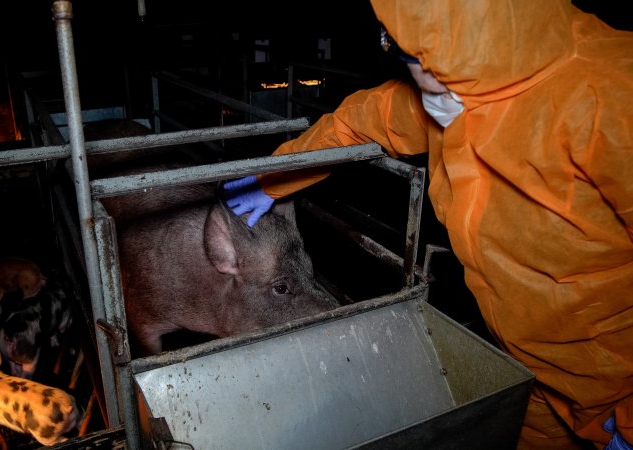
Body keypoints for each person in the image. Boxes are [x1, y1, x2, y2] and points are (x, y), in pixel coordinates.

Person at [222, 1, 633, 449]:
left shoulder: (614, 95)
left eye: (421, 54)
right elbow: (359, 123)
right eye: (400, 48)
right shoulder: (452, 92)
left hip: (613, 380)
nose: (418, 73)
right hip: (526, 369)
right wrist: (274, 177)